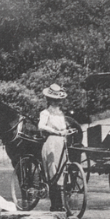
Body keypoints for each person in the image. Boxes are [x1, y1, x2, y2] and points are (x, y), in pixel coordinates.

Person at [38, 83, 72, 211]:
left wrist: (66, 131)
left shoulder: (60, 114)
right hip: (51, 142)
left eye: (59, 100)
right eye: (55, 100)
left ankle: (62, 205)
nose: (57, 103)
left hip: (62, 142)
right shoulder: (45, 113)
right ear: (49, 100)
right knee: (53, 171)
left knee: (63, 170)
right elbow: (41, 126)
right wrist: (55, 131)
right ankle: (55, 205)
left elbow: (63, 127)